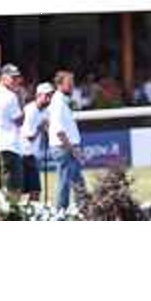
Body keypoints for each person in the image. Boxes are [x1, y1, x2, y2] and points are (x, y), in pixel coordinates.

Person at [48, 70, 86, 212]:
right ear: (59, 84)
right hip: (64, 147)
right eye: (69, 83)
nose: (72, 86)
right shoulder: (58, 102)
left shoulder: (62, 101)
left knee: (76, 181)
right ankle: (60, 212)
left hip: (65, 146)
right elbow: (59, 131)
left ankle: (82, 208)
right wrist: (73, 149)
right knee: (65, 182)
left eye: (72, 83)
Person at [0, 63, 25, 204]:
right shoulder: (11, 96)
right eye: (13, 78)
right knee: (13, 189)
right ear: (3, 78)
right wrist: (21, 99)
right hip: (9, 146)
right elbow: (19, 120)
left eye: (17, 78)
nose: (16, 81)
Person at [21, 82, 54, 203]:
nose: (49, 99)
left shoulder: (46, 112)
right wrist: (41, 127)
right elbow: (29, 136)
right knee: (22, 191)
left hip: (33, 155)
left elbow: (47, 131)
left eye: (50, 96)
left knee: (35, 192)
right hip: (23, 154)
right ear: (38, 95)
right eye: (46, 96)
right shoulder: (29, 110)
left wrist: (46, 129)